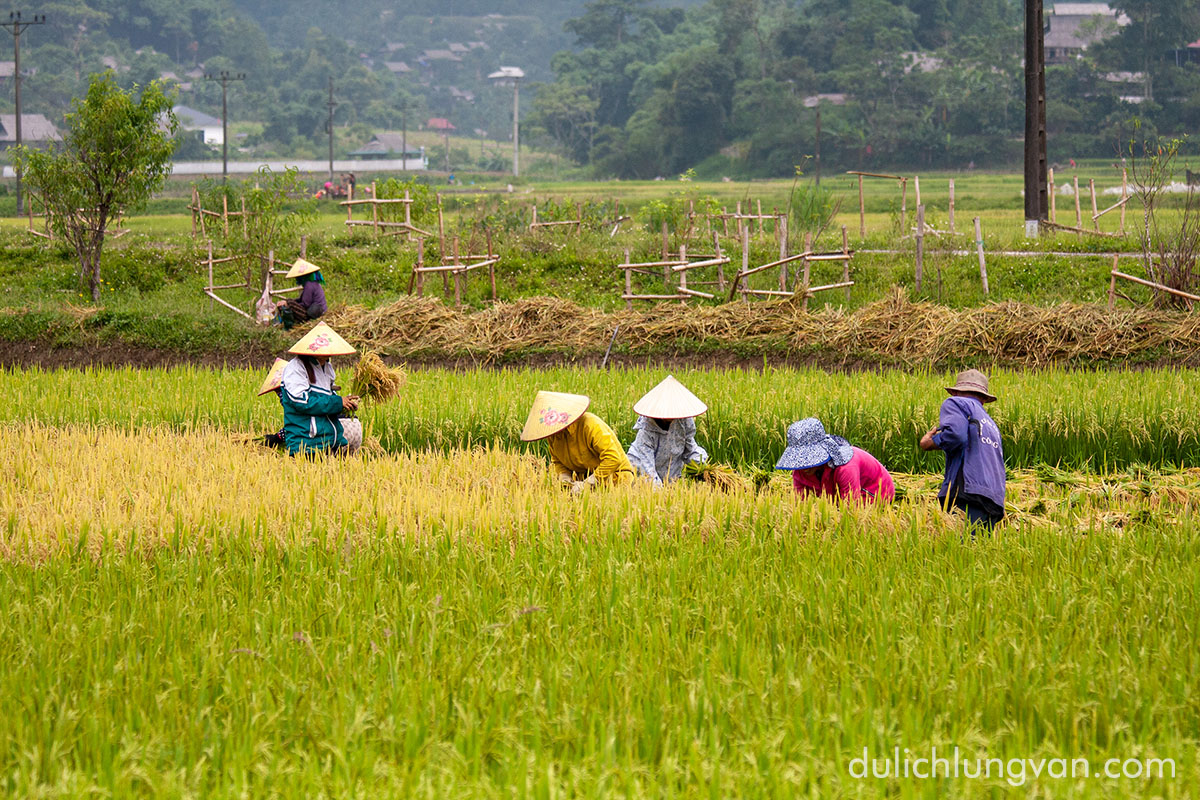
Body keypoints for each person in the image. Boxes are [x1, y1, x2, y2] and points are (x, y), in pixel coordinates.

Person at [919, 369, 1006, 531]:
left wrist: (930, 442)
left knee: (958, 549)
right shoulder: (991, 424)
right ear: (985, 399)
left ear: (956, 392)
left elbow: (956, 435)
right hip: (994, 498)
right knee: (978, 552)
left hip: (969, 490)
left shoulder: (956, 403)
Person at [520, 391, 634, 492]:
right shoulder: (553, 436)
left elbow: (613, 458)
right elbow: (558, 461)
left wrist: (591, 482)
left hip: (615, 480)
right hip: (582, 481)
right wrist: (565, 478)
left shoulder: (590, 425)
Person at [280, 322, 362, 457]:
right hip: (307, 444)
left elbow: (329, 397)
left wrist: (345, 403)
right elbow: (301, 401)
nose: (327, 354)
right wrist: (337, 402)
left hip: (328, 441)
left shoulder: (327, 368)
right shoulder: (296, 368)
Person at [776, 417, 894, 503]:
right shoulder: (800, 471)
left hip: (874, 493)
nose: (804, 466)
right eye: (800, 460)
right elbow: (799, 504)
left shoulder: (845, 467)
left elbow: (851, 507)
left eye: (807, 460)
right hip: (837, 495)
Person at [626, 375, 709, 485]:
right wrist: (661, 495)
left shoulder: (683, 421)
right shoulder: (646, 432)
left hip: (670, 476)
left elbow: (690, 449)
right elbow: (648, 472)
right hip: (641, 474)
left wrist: (705, 468)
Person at [275, 258, 327, 330]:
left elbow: (306, 304)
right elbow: (301, 300)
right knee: (289, 302)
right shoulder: (312, 283)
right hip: (315, 310)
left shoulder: (309, 285)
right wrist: (287, 302)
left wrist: (289, 304)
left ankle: (289, 325)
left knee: (290, 303)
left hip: (315, 313)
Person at [256, 357, 289, 448]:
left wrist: (277, 437)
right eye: (277, 392)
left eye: (279, 391)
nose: (279, 395)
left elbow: (299, 424)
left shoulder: (296, 398)